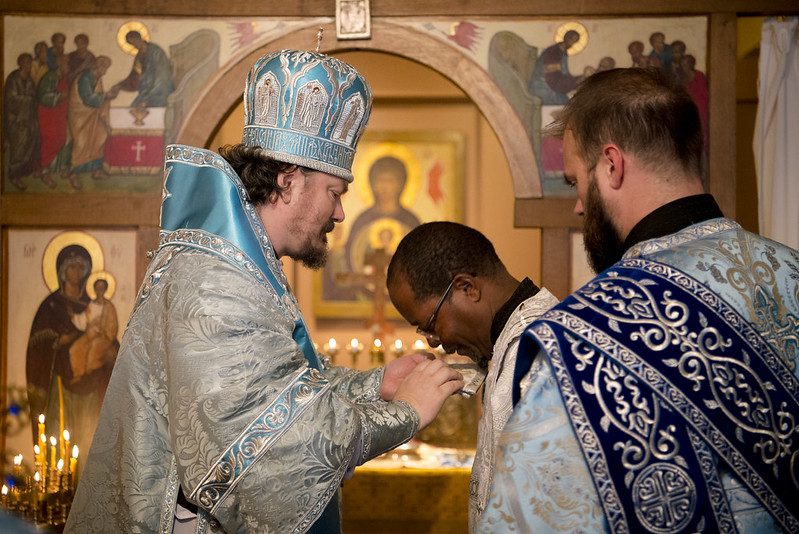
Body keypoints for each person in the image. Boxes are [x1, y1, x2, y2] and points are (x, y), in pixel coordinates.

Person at [65, 49, 464, 534]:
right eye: (336, 193)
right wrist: (406, 413)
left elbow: (277, 396)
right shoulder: (214, 285)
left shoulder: (239, 267)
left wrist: (373, 384)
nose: (340, 215)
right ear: (289, 180)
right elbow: (272, 456)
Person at [477, 67, 799, 533]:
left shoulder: (582, 336)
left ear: (612, 164)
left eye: (575, 182)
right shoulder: (791, 273)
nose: (578, 206)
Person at [386, 221, 559, 532]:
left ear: (467, 288)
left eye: (431, 325)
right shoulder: (509, 345)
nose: (437, 344)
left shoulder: (539, 353)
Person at [25, 244, 111, 480]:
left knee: (87, 437)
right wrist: (59, 341)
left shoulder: (93, 307)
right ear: (62, 272)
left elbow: (107, 338)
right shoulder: (50, 306)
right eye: (71, 267)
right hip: (59, 384)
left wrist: (111, 351)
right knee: (57, 433)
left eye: (80, 267)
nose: (76, 272)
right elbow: (38, 345)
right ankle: (57, 486)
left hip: (89, 386)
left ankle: (86, 487)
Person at [65, 55, 119, 187]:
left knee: (99, 138)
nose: (105, 72)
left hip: (94, 115)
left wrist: (107, 96)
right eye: (104, 68)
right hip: (81, 115)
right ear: (98, 66)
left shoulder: (97, 78)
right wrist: (106, 95)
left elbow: (97, 96)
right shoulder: (85, 78)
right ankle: (74, 173)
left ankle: (96, 170)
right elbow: (87, 99)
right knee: (81, 143)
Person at [68, 277, 119, 385]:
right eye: (97, 288)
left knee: (92, 349)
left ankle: (90, 373)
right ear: (95, 289)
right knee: (75, 348)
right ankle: (78, 374)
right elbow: (84, 320)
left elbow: (112, 325)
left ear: (105, 290)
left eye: (102, 288)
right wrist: (74, 316)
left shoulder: (109, 306)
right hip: (90, 335)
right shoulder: (91, 304)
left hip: (103, 337)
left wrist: (102, 328)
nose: (99, 290)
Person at [113, 30, 175, 109]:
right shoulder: (139, 56)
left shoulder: (155, 51)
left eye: (134, 41)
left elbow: (162, 76)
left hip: (160, 91)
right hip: (146, 92)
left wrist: (148, 99)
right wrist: (119, 86)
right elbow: (135, 77)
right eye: (131, 44)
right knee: (133, 108)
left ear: (139, 38)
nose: (134, 45)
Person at [529, 30, 588, 105]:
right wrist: (575, 81)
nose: (572, 44)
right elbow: (553, 78)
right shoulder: (554, 52)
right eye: (571, 40)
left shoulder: (563, 53)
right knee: (564, 105)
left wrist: (578, 79)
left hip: (554, 87)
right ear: (565, 38)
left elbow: (564, 73)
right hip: (543, 87)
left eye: (574, 42)